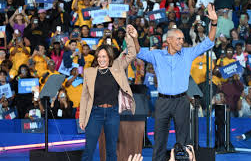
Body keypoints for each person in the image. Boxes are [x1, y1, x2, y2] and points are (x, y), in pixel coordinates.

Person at [136, 4, 218, 161]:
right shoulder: (157, 55)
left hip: (182, 100)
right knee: (159, 139)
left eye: (182, 38)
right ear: (169, 40)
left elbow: (208, 42)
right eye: (178, 38)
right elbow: (138, 51)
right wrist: (134, 38)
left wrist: (214, 23)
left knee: (184, 139)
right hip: (163, 102)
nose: (182, 41)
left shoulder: (188, 53)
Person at [79, 25, 138, 161]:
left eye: (104, 56)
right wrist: (82, 119)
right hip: (94, 113)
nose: (101, 59)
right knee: (89, 149)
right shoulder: (89, 72)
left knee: (111, 151)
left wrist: (129, 36)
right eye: (99, 57)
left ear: (109, 57)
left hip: (112, 113)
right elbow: (84, 98)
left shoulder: (117, 66)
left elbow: (132, 53)